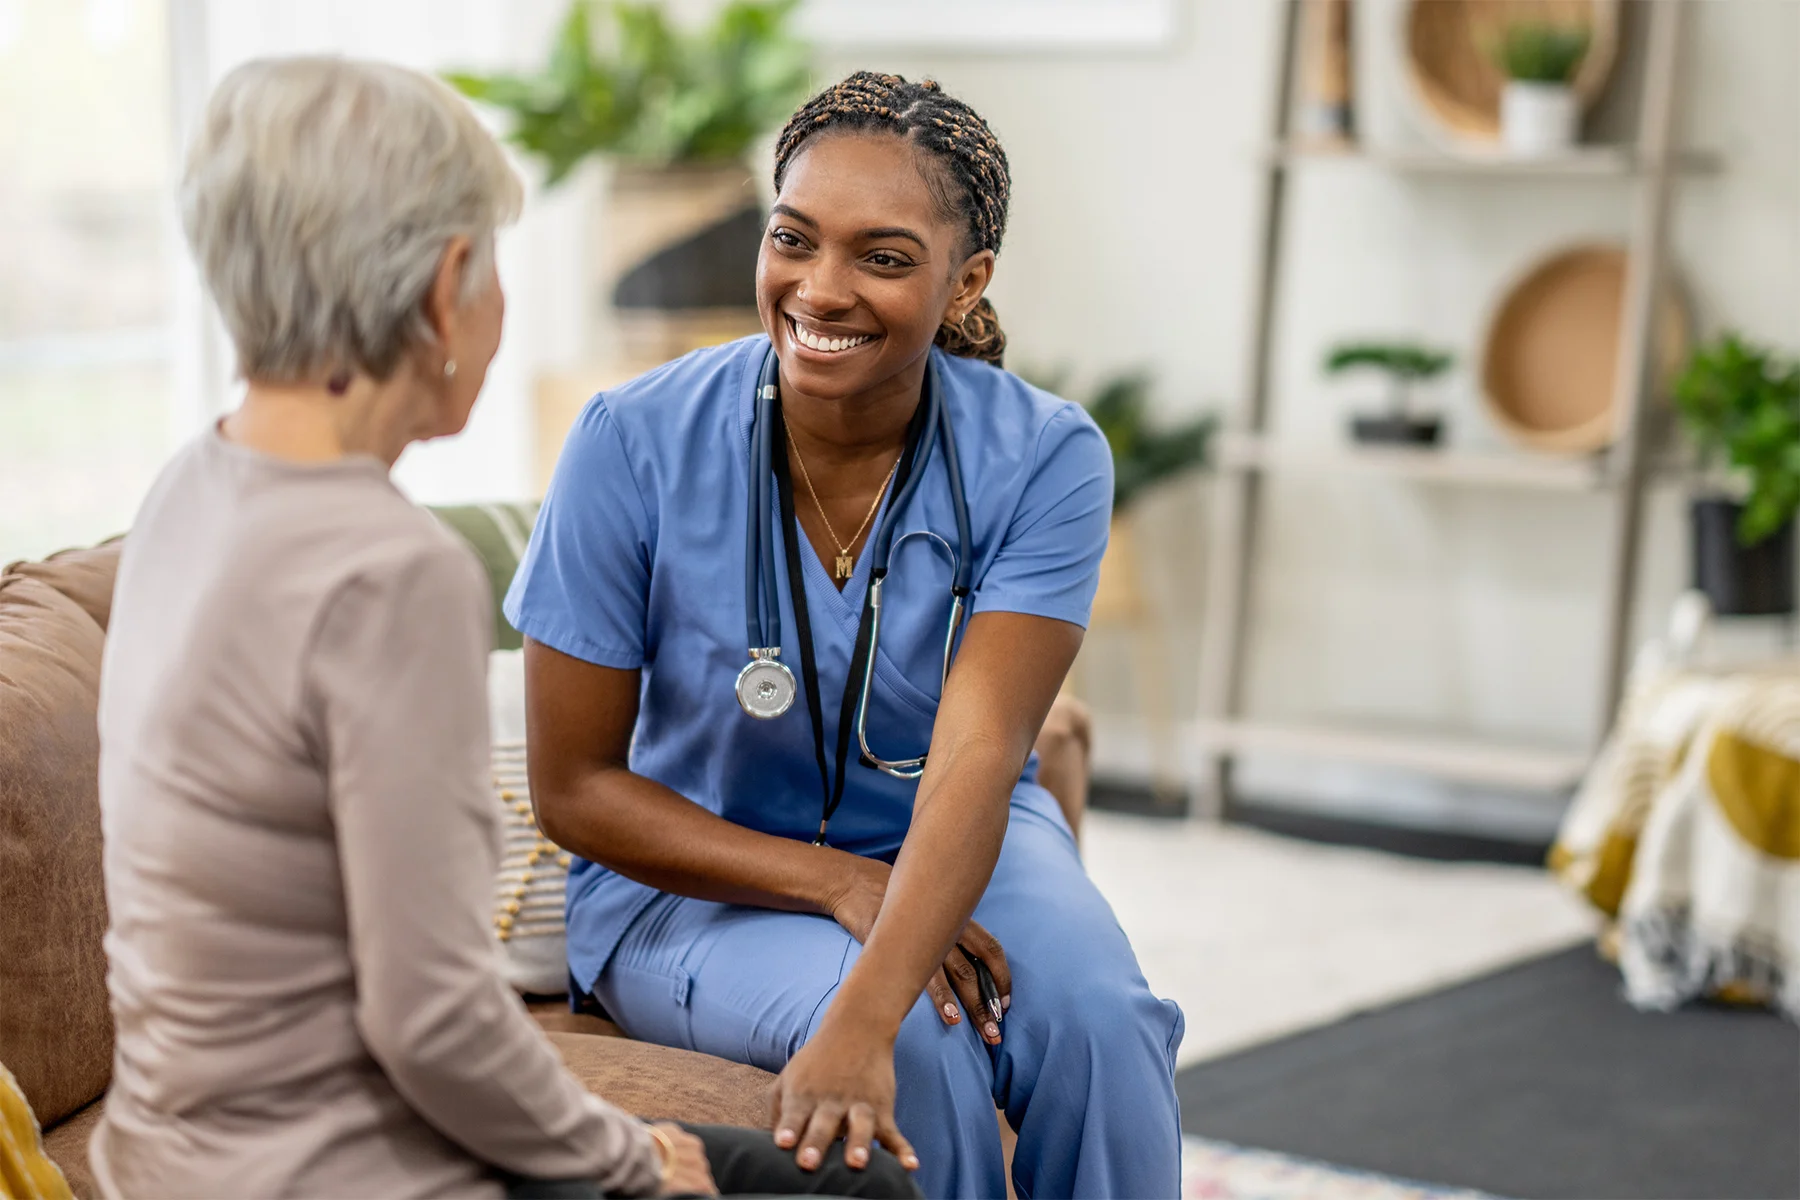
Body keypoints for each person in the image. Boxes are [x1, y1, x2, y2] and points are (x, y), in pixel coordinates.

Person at [94, 57, 914, 1200]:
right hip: (331, 1175)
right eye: (495, 268)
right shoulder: (385, 573)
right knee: (855, 1185)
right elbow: (431, 1019)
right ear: (444, 288)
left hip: (168, 1152)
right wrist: (628, 1156)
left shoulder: (191, 486)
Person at [507, 72, 1185, 1200]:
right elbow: (574, 786)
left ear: (966, 283)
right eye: (793, 240)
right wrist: (838, 890)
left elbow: (979, 758)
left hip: (954, 825)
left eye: (882, 256)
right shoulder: (631, 441)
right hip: (697, 881)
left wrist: (881, 947)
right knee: (923, 1055)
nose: (820, 291)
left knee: (1106, 1025)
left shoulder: (1046, 456)